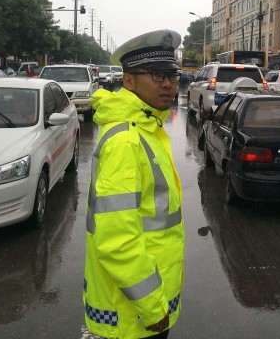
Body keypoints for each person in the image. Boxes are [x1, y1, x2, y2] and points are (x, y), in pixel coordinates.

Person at [83, 30, 185, 339]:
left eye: (172, 74)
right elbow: (117, 240)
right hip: (135, 315)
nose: (168, 84)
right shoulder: (127, 141)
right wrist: (153, 308)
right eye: (156, 75)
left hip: (145, 301)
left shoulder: (148, 127)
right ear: (128, 82)